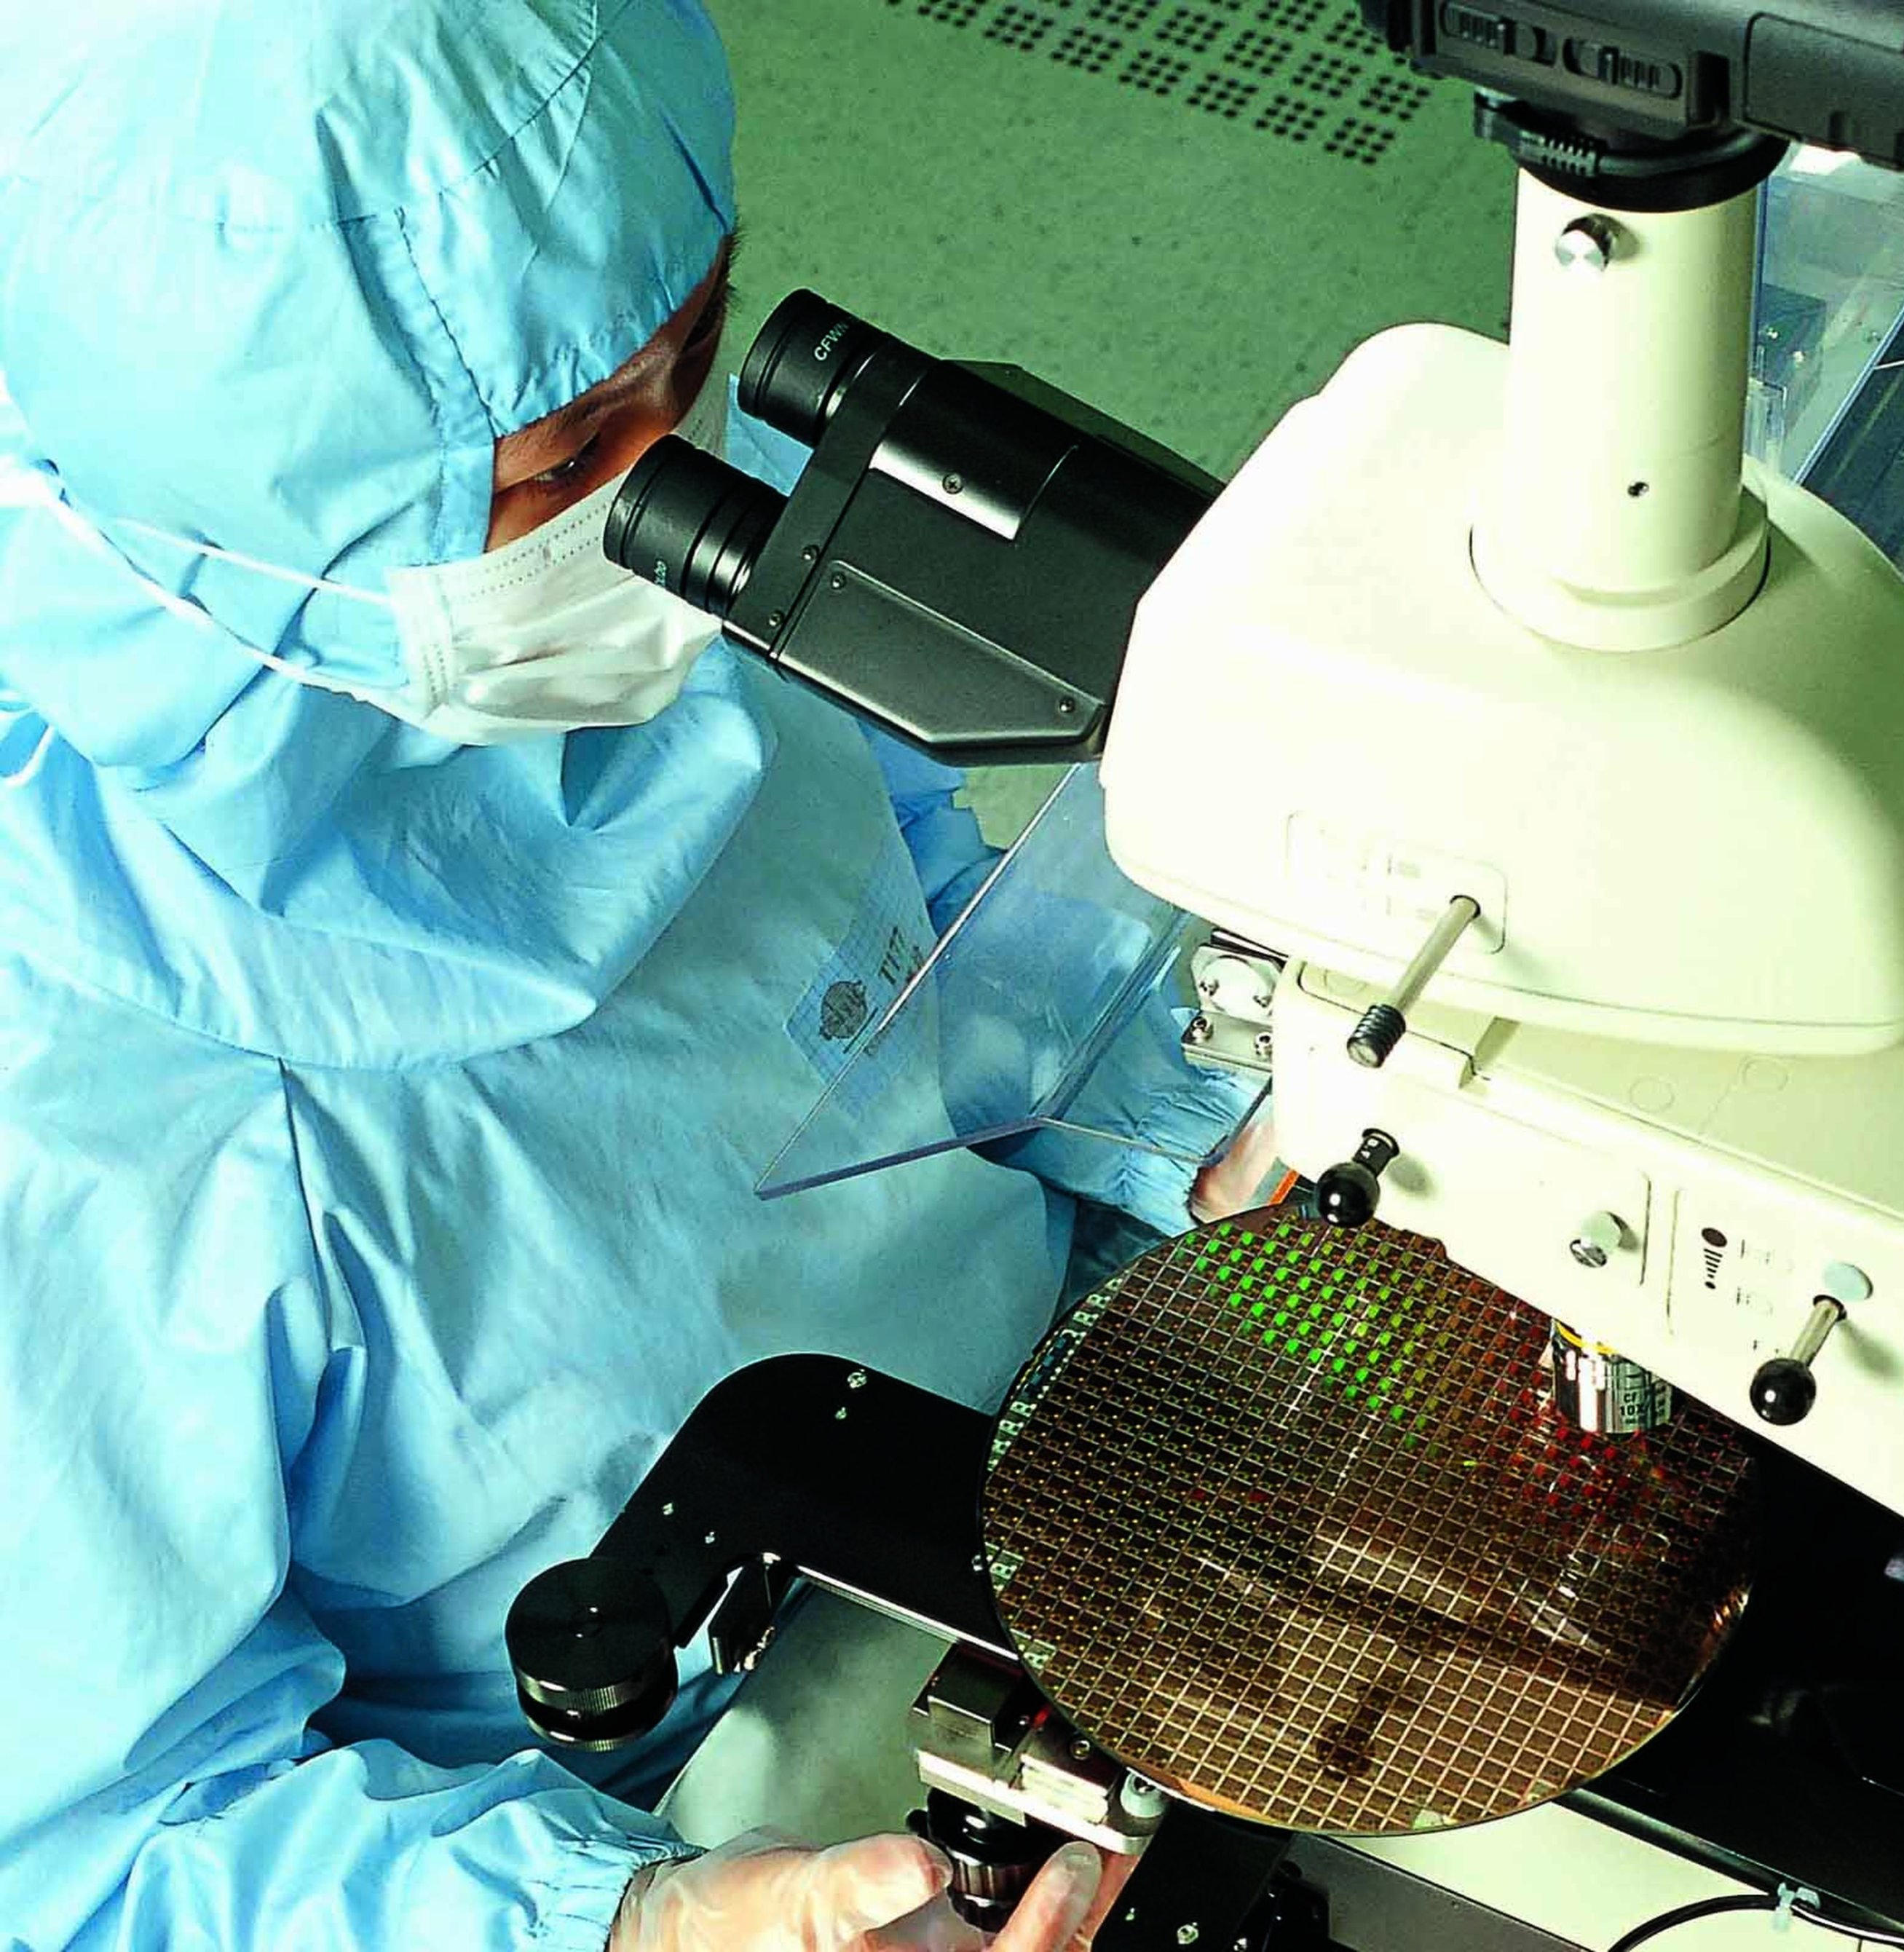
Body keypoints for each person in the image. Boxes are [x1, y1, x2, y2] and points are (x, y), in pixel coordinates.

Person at [0, 1, 1256, 1945]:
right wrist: (652, 1917)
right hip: (708, 1801)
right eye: (569, 455)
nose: (671, 504)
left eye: (699, 354)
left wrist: (1217, 1124)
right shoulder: (78, 1083)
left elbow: (940, 973)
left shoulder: (643, 599)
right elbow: (102, 1852)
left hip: (1081, 1487)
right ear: (246, 529)